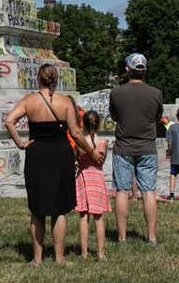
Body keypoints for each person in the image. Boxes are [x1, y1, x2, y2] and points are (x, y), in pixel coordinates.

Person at [6, 63, 97, 265]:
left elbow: (9, 121)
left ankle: (37, 259)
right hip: (60, 154)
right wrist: (91, 151)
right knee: (59, 209)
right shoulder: (65, 102)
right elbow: (75, 133)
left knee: (37, 209)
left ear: (38, 78)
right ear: (56, 79)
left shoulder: (29, 101)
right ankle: (59, 258)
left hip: (37, 154)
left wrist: (20, 143)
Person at [108, 52, 165, 246]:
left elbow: (115, 117)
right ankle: (151, 237)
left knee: (122, 191)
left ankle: (122, 238)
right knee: (148, 191)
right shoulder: (156, 93)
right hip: (147, 146)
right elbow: (157, 117)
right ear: (145, 70)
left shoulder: (116, 93)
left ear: (127, 70)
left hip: (123, 147)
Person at [74, 109, 109, 260]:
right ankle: (101, 253)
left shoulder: (81, 144)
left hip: (83, 178)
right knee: (99, 217)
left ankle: (84, 253)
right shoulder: (103, 143)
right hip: (98, 178)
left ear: (84, 124)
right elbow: (102, 161)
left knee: (83, 216)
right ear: (98, 124)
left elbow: (77, 159)